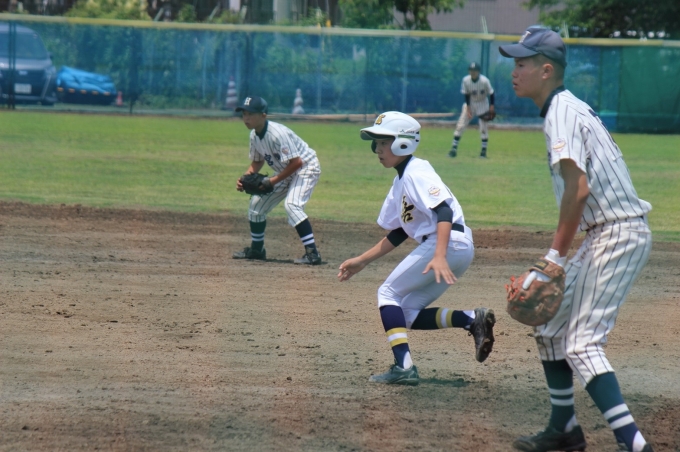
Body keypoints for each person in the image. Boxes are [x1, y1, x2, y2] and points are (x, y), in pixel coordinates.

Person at [499, 27, 654, 452]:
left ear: (546, 70)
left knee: (582, 343)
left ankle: (634, 444)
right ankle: (564, 430)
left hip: (617, 233)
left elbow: (578, 189)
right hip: (606, 232)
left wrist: (555, 258)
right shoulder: (563, 107)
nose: (514, 71)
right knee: (550, 327)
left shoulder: (561, 113)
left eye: (522, 63)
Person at [337, 111, 496, 386]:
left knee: (387, 293)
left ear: (403, 142)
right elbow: (400, 231)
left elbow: (444, 211)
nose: (377, 149)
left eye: (384, 142)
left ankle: (404, 367)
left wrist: (439, 254)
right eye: (376, 143)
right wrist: (362, 260)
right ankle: (472, 319)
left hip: (445, 244)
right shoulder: (401, 181)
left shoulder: (416, 172)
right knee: (407, 312)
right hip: (456, 247)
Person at [233, 96, 322, 265]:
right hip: (285, 170)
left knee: (292, 205)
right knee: (256, 207)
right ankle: (257, 250)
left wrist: (272, 181)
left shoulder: (277, 134)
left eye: (250, 114)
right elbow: (257, 161)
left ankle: (313, 253)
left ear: (263, 115)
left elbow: (297, 162)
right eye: (244, 114)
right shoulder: (254, 135)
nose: (246, 118)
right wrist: (244, 178)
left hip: (306, 167)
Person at [448, 62, 496, 159]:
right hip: (471, 103)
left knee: (483, 128)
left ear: (478, 71)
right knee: (461, 125)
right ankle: (453, 149)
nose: (473, 72)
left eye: (475, 70)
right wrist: (468, 108)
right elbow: (466, 94)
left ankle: (483, 152)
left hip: (483, 103)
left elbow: (491, 93)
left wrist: (491, 106)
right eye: (471, 70)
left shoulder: (484, 81)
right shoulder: (466, 80)